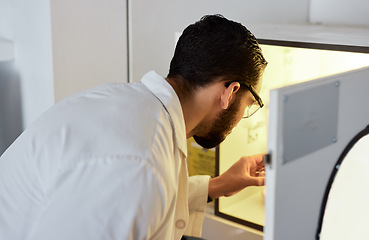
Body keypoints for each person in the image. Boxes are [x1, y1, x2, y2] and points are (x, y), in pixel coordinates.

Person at [0, 14, 267, 240]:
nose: (244, 114)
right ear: (230, 92)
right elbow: (136, 184)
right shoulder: (140, 162)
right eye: (249, 104)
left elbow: (139, 207)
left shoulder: (132, 106)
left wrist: (218, 186)